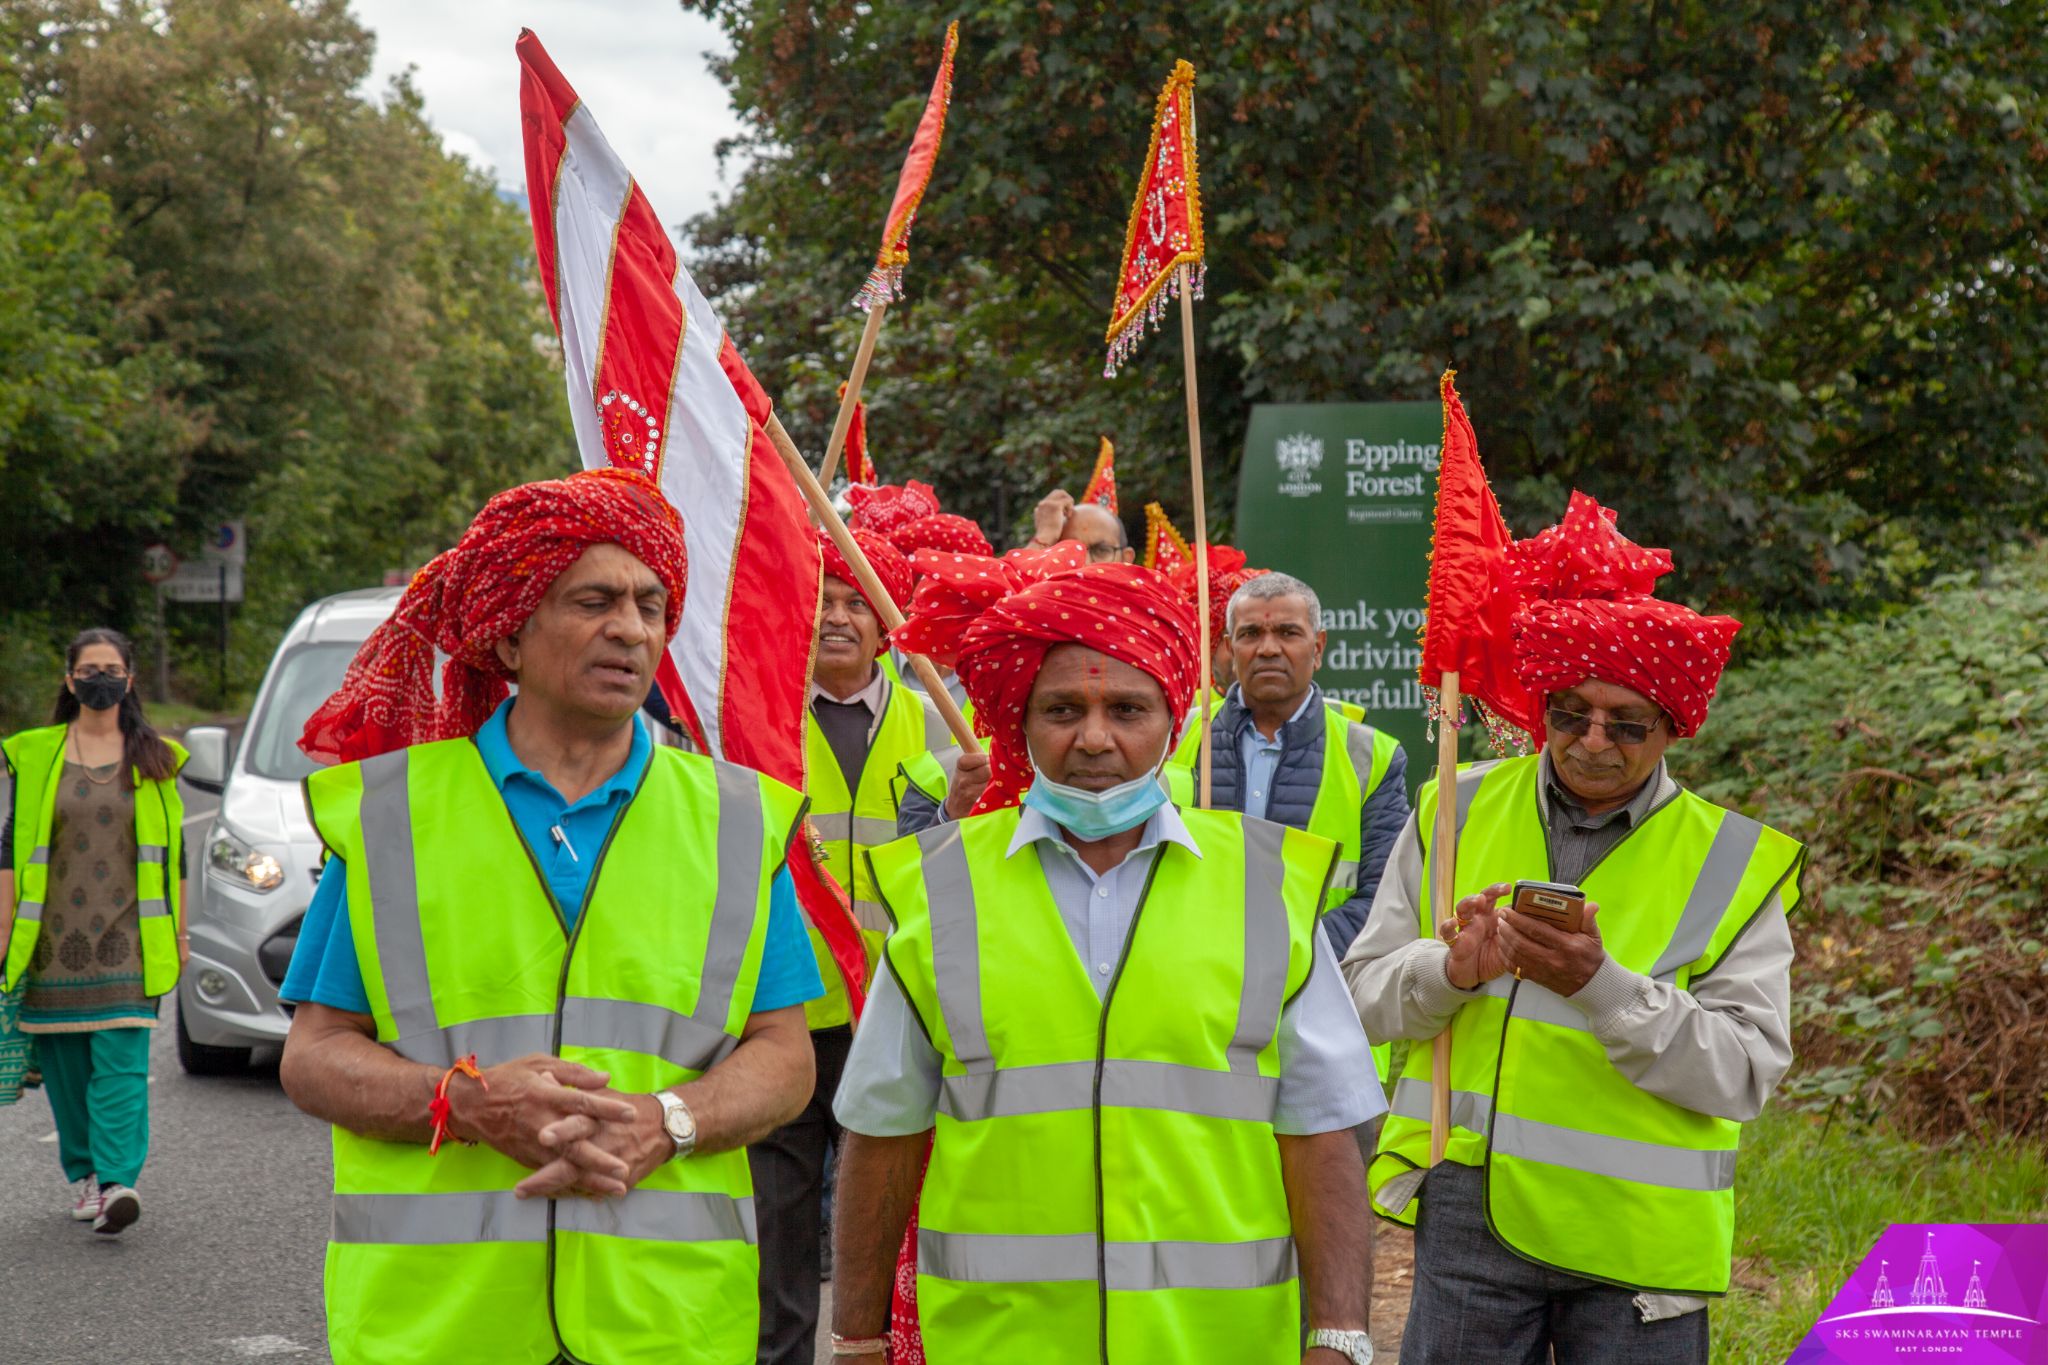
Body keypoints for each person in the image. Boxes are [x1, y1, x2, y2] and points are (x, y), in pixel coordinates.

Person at [276, 468, 821, 1365]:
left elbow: (786, 1056)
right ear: (513, 634)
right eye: (594, 600)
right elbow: (314, 1053)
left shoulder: (736, 819)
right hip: (440, 1328)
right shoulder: (392, 817)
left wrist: (668, 1119)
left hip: (665, 1325)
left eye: (651, 605)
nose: (631, 628)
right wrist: (463, 1101)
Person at [829, 553, 1384, 1365]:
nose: (1094, 737)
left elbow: (1323, 1131)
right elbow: (882, 1131)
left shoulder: (1265, 883)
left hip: (1218, 1347)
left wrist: (1338, 1337)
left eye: (1127, 707)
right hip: (996, 1344)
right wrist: (856, 1338)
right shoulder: (945, 885)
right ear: (1020, 720)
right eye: (1062, 709)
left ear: (1175, 719)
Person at [1343, 493, 1803, 1365]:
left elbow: (1745, 1072)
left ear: (1673, 727)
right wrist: (1451, 970)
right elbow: (1362, 997)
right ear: (1541, 705)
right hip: (1471, 1215)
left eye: (1627, 725)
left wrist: (1602, 987)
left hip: (1641, 1246)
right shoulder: (1458, 804)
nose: (1593, 741)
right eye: (1569, 714)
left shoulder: (1735, 860)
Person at [753, 527, 956, 1365]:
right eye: (824, 601)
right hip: (791, 1013)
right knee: (779, 1226)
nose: (839, 618)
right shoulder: (756, 721)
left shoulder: (946, 723)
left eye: (857, 603)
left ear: (886, 625)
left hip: (903, 1008)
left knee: (896, 1216)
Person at [1167, 572, 1408, 1072]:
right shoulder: (1174, 738)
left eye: (1288, 634)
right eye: (1252, 634)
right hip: (1194, 1010)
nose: (1268, 648)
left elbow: (1384, 902)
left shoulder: (1371, 757)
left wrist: (1280, 965)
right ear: (1229, 648)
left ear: (1317, 648)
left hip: (1323, 1018)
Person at [1, 628, 188, 1235]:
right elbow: (10, 848)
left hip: (129, 941)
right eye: (89, 668)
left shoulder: (157, 759)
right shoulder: (35, 753)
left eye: (111, 668)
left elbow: (175, 857)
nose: (99, 678)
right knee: (67, 1070)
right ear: (69, 679)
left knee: (123, 1064)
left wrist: (181, 936)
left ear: (130, 680)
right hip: (51, 944)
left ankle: (116, 1182)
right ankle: (83, 1173)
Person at [1027, 487, 1135, 562]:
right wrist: (1044, 536)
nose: (1085, 564)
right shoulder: (1043, 593)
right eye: (1070, 553)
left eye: (1101, 551)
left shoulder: (1146, 594)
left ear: (1126, 559)